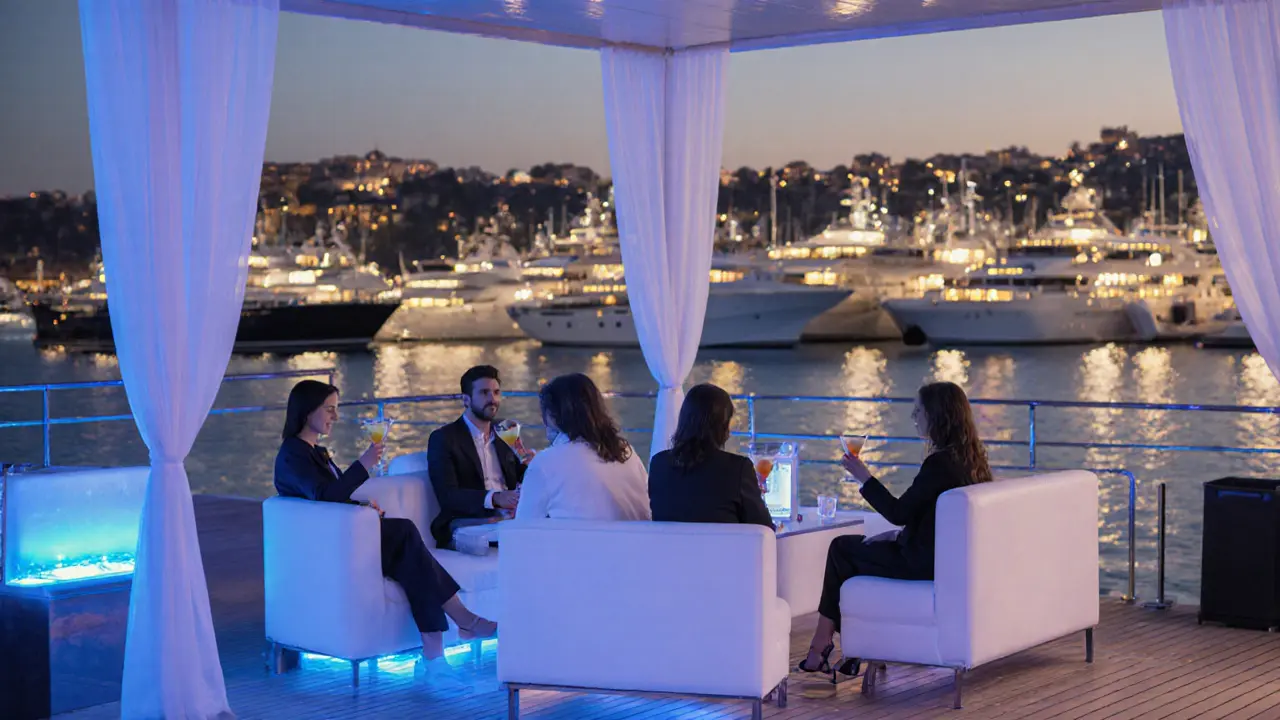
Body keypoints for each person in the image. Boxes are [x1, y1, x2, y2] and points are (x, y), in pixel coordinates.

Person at [274, 379, 497, 670]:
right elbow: (323, 497)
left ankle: (436, 652)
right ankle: (462, 623)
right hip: (329, 546)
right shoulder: (293, 454)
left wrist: (363, 508)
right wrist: (364, 463)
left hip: (349, 536)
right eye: (329, 410)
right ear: (307, 411)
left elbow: (334, 500)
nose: (335, 417)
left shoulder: (317, 452)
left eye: (335, 410)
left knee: (413, 560)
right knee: (405, 534)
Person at [798, 381, 993, 676]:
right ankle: (851, 649)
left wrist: (863, 476)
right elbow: (929, 517)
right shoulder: (972, 459)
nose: (914, 416)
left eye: (919, 411)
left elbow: (898, 512)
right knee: (857, 552)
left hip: (920, 563)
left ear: (938, 416)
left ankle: (824, 646)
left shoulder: (939, 464)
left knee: (841, 549)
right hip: (943, 560)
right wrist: (900, 535)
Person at [516, 373, 651, 521]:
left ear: (552, 416)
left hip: (584, 543)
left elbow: (524, 527)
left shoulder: (545, 463)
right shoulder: (627, 451)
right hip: (637, 542)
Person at [427, 365, 527, 549]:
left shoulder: (506, 430)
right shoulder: (444, 438)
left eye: (496, 392)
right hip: (467, 521)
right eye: (484, 393)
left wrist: (531, 466)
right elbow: (448, 496)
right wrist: (495, 498)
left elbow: (522, 477)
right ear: (466, 399)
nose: (493, 399)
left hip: (510, 516)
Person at [648, 383, 774, 528]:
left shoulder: (658, 464)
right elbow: (764, 529)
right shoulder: (738, 469)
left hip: (670, 550)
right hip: (723, 550)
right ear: (723, 426)